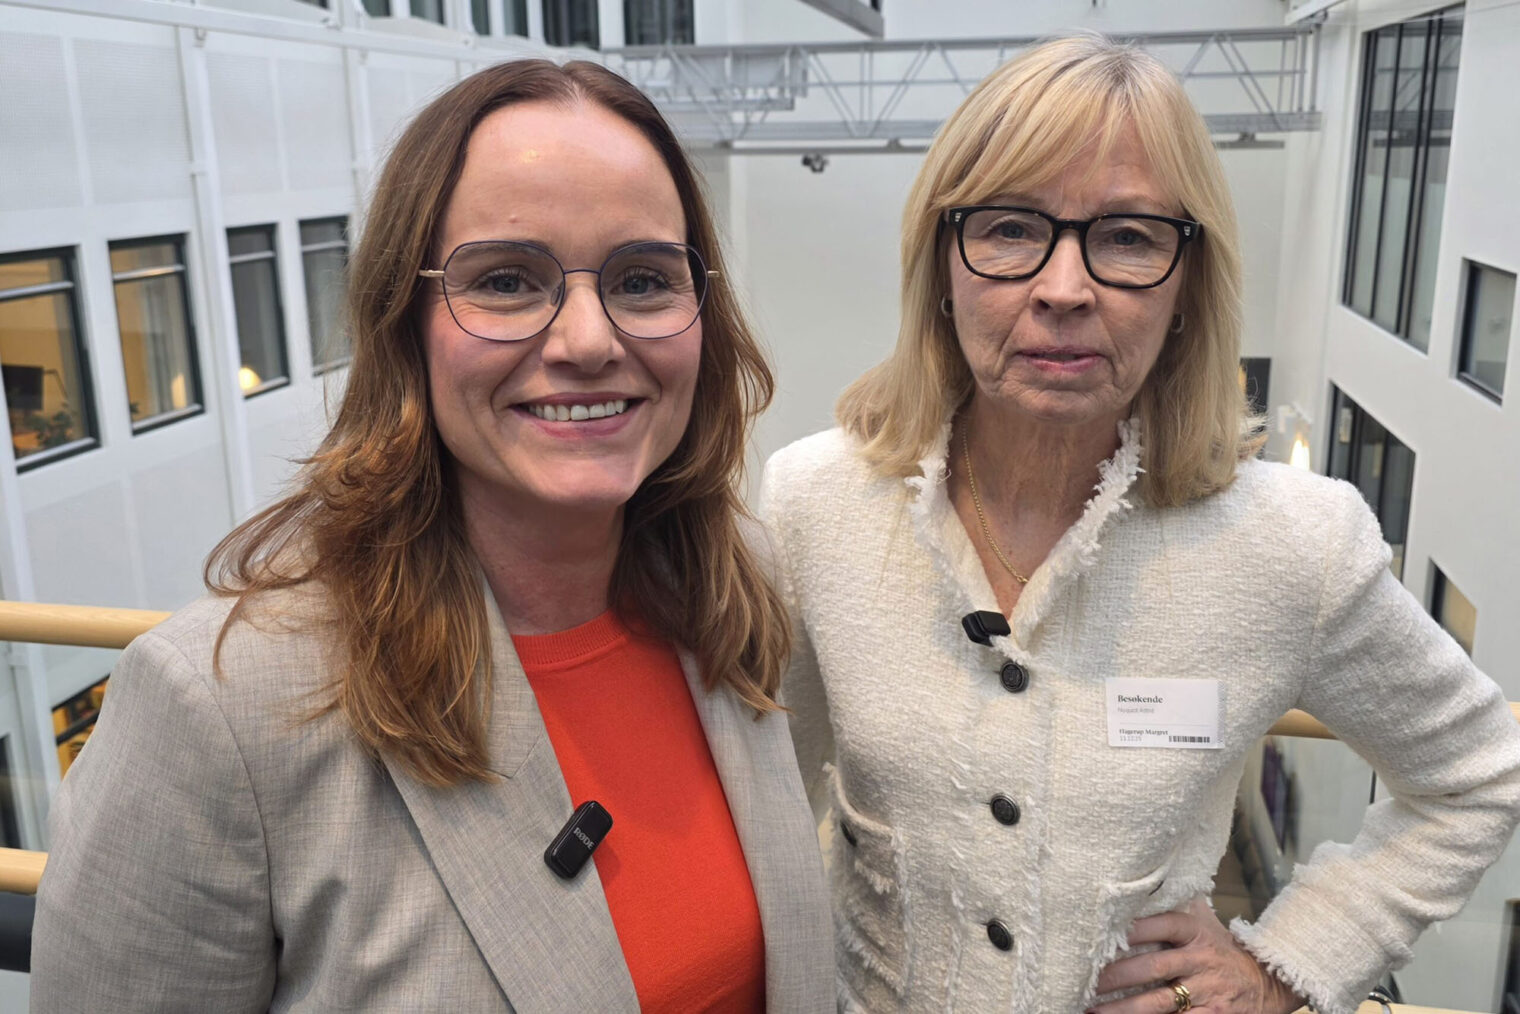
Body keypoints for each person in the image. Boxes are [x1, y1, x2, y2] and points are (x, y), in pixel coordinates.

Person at [31, 59, 833, 1012]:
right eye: (507, 280)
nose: (588, 341)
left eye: (643, 280)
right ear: (403, 325)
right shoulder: (222, 711)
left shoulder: (739, 595)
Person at [760, 34, 1520, 1014]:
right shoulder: (814, 504)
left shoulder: (1291, 545)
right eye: (1008, 227)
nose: (1063, 289)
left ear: (1186, 281)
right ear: (939, 264)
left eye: (1126, 237)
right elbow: (764, 810)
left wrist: (1285, 966)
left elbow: (1475, 777)